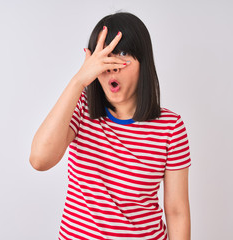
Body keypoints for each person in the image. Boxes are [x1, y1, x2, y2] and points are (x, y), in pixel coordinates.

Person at [30, 12, 192, 240]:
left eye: (123, 54)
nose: (111, 66)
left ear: (142, 61)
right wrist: (78, 80)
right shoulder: (81, 109)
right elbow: (39, 160)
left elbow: (177, 212)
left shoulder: (170, 127)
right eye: (104, 56)